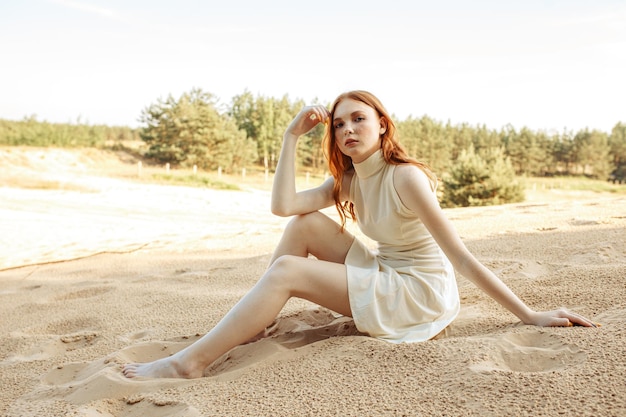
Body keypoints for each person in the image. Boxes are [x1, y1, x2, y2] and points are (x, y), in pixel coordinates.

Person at [122, 90, 596, 379]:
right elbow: (282, 206)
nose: (348, 128)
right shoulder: (348, 179)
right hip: (387, 270)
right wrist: (290, 138)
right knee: (303, 223)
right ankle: (258, 322)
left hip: (417, 292)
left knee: (289, 271)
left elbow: (463, 259)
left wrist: (529, 315)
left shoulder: (405, 176)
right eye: (340, 122)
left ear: (382, 125)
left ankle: (188, 363)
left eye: (359, 119)